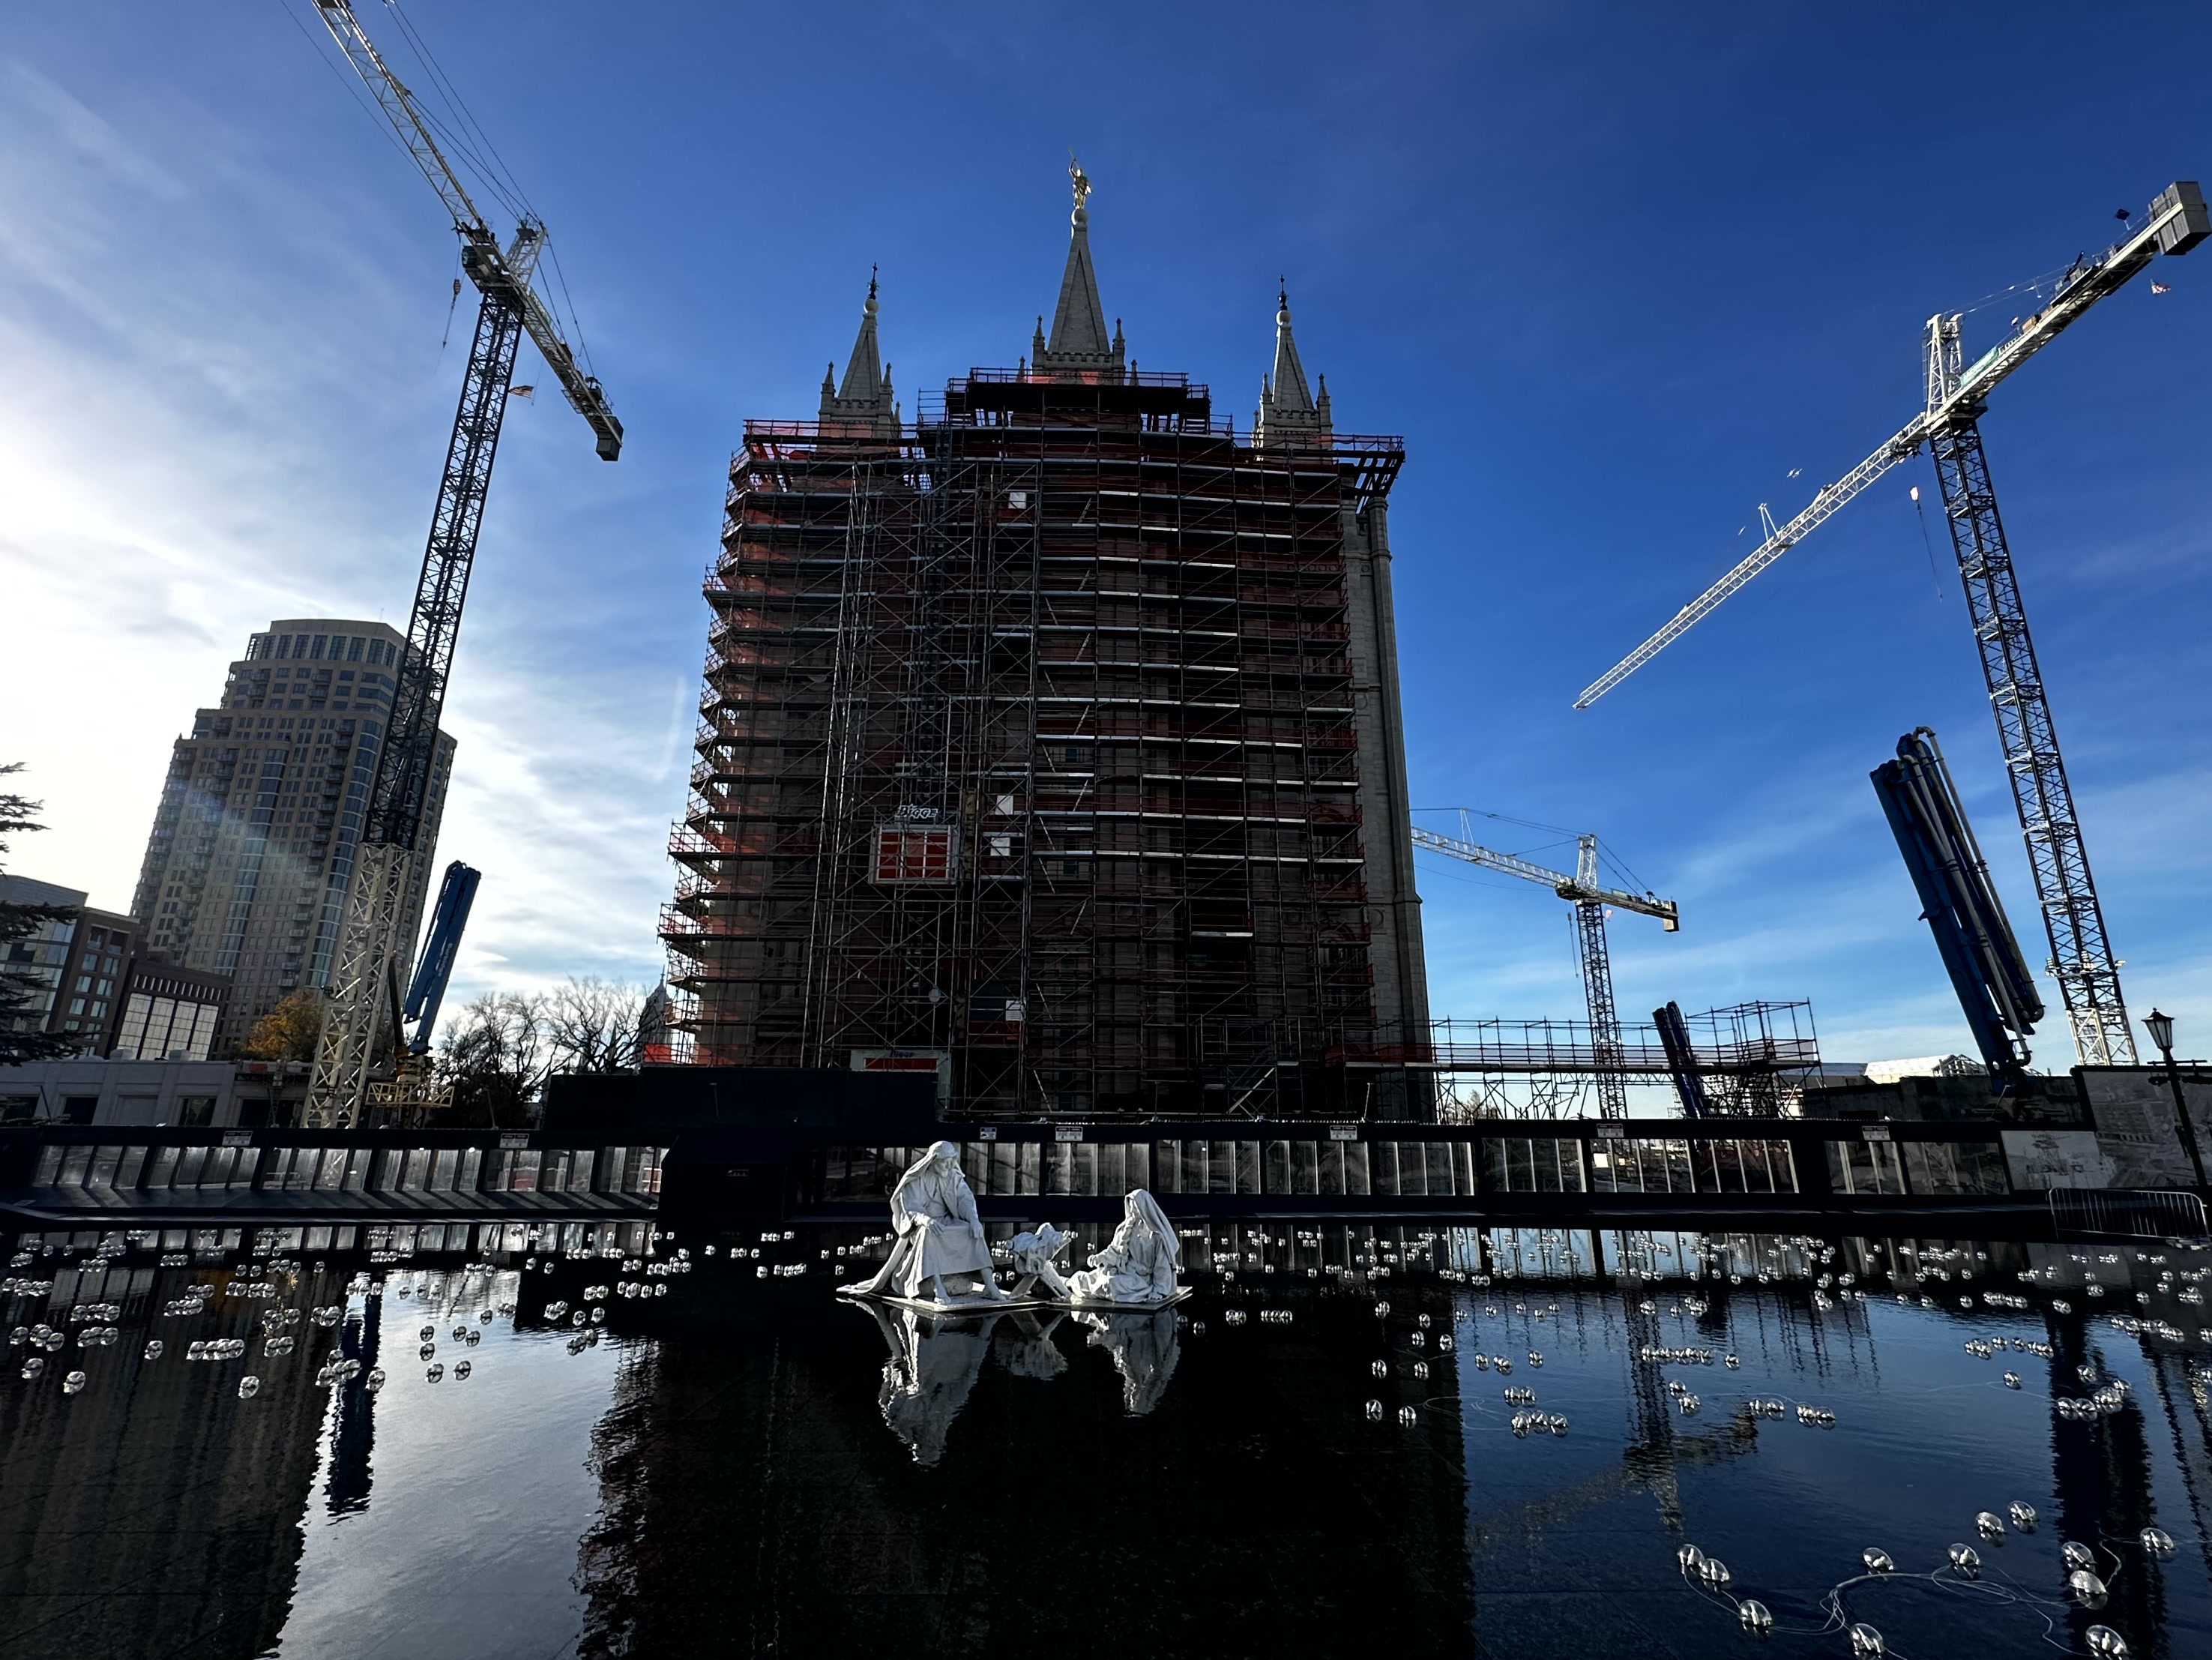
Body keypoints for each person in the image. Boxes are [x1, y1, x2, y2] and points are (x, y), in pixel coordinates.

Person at [848, 1141, 1005, 1305]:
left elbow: (965, 1199)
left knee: (973, 1230)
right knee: (928, 1232)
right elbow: (910, 1207)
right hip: (923, 1225)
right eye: (946, 1161)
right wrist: (926, 1220)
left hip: (947, 1221)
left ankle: (989, 1284)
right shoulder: (917, 1179)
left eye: (952, 1161)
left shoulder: (953, 1176)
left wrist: (973, 1219)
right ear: (934, 1160)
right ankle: (937, 1286)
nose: (950, 1165)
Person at [1068, 1188, 1181, 1305]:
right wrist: (1100, 1258)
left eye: (1135, 1206)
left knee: (1112, 1284)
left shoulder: (1157, 1236)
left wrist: (1159, 1290)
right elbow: (1115, 1251)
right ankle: (1068, 1282)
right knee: (1088, 1278)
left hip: (1143, 1279)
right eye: (1130, 1206)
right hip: (1124, 1271)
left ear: (1143, 1207)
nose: (1132, 1210)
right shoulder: (1125, 1229)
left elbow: (1162, 1266)